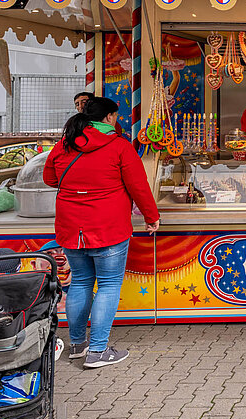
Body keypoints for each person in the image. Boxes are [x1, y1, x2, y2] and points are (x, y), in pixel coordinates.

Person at [42, 97, 159, 369]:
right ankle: (98, 351)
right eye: (116, 117)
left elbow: (50, 178)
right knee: (108, 285)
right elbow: (138, 186)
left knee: (80, 282)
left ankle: (77, 345)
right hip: (108, 227)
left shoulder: (65, 144)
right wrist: (151, 217)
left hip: (72, 227)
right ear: (108, 117)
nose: (117, 121)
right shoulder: (119, 146)